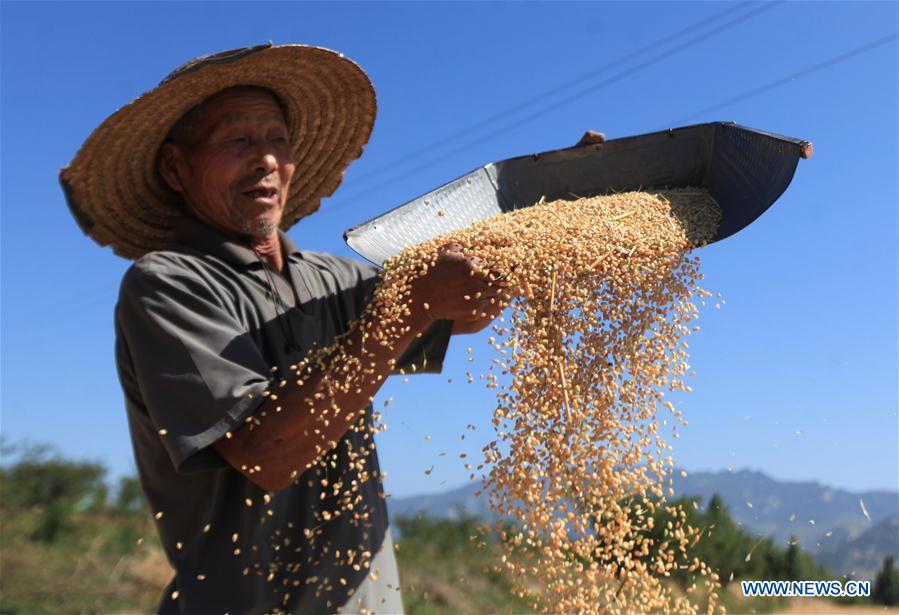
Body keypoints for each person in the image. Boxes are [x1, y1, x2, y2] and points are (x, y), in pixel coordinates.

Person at [61, 43, 602, 614]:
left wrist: (548, 214)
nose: (266, 159)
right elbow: (265, 453)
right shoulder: (169, 285)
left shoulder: (332, 279)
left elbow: (465, 306)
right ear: (176, 167)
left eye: (278, 140)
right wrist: (410, 308)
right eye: (238, 140)